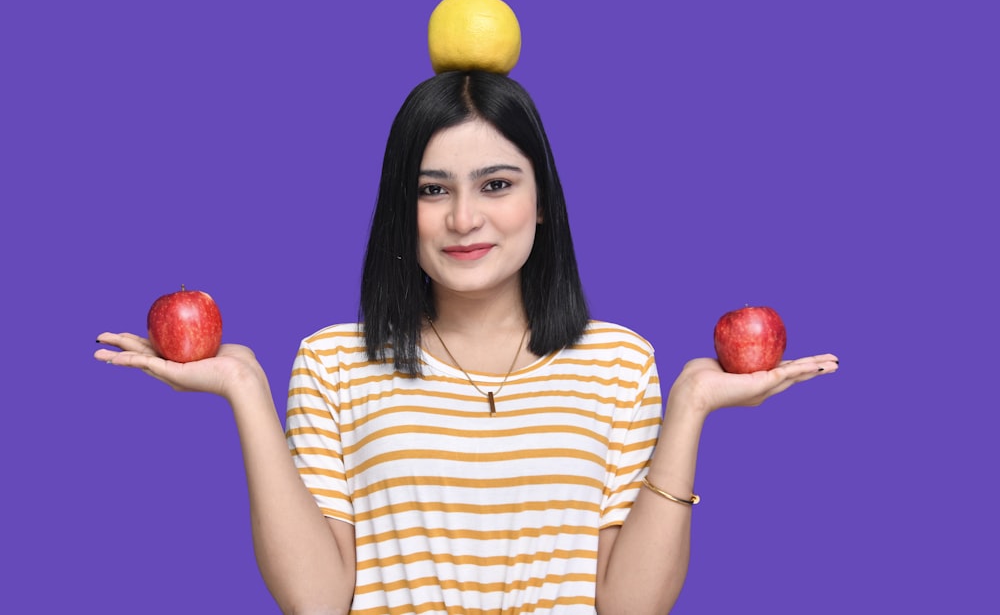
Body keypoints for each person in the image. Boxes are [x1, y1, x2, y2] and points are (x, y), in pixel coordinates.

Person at [95, 70, 838, 614]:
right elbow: (318, 602)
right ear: (401, 207)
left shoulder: (619, 362)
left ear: (541, 202)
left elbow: (631, 606)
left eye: (495, 184)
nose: (463, 219)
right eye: (431, 189)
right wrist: (246, 392)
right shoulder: (333, 362)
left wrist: (692, 404)